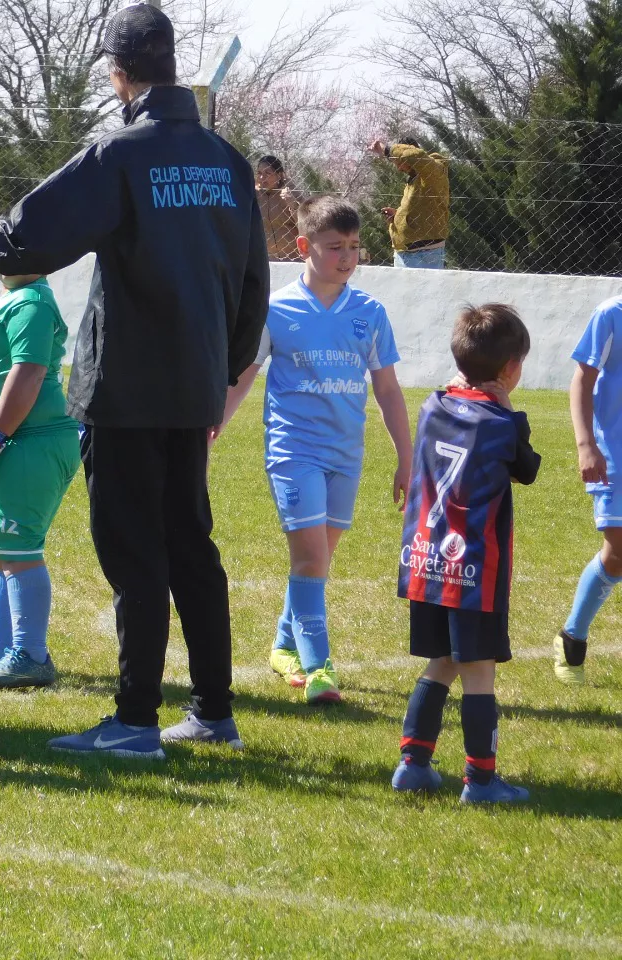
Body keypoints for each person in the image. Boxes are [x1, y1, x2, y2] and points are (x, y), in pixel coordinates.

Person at [0, 3, 269, 759]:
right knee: (191, 547)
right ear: (173, 64)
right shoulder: (229, 163)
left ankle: (136, 721)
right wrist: (222, 373)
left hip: (125, 391)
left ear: (119, 74)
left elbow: (26, 236)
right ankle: (213, 710)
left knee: (134, 552)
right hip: (193, 388)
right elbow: (253, 284)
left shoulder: (121, 154)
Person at [217, 197, 411, 703]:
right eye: (334, 247)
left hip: (346, 456)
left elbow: (388, 390)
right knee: (308, 558)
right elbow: (243, 377)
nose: (346, 257)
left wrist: (405, 457)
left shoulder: (369, 313)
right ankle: (319, 667)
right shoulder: (275, 309)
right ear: (305, 247)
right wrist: (210, 427)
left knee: (318, 562)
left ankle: (284, 647)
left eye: (353, 247)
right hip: (293, 451)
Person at [392, 304, 539, 804]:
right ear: (511, 369)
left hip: (427, 561)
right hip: (475, 569)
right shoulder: (503, 422)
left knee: (442, 660)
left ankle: (412, 764)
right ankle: (480, 780)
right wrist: (507, 408)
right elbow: (528, 468)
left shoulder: (432, 405)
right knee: (478, 669)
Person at [0, 273, 79, 689]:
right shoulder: (16, 297)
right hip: (14, 444)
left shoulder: (32, 303)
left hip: (28, 441)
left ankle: (31, 654)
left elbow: (29, 372)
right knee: (2, 550)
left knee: (19, 549)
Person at [555, 294, 622, 684]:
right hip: (615, 453)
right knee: (617, 553)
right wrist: (585, 445)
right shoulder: (610, 314)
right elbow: (583, 378)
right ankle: (572, 637)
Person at [368, 137, 450, 269]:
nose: (399, 168)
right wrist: (398, 217)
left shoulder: (434, 171)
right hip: (404, 254)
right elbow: (420, 208)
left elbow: (416, 155)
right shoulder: (413, 179)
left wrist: (387, 150)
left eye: (400, 161)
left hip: (424, 253)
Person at [256, 155, 306, 262]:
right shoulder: (254, 194)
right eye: (259, 173)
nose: (261, 178)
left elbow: (306, 224)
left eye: (267, 173)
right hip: (266, 259)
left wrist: (293, 205)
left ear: (279, 175)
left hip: (294, 259)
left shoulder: (291, 192)